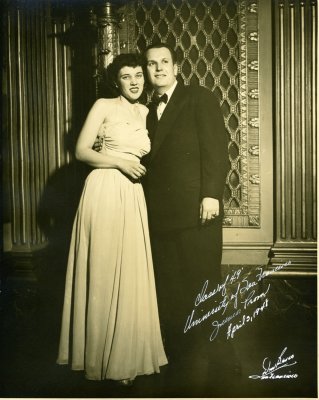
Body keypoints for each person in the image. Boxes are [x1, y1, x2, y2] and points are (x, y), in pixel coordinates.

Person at [56, 53, 167, 385]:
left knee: (129, 270)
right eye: (125, 76)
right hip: (104, 190)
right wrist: (118, 163)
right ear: (115, 81)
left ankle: (125, 358)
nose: (134, 82)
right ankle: (100, 357)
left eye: (137, 75)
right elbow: (81, 151)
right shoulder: (104, 105)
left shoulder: (148, 113)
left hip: (133, 196)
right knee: (104, 270)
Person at [142, 43, 229, 367]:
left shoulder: (199, 97)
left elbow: (217, 150)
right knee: (170, 285)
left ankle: (221, 356)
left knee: (204, 282)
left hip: (197, 210)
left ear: (176, 67)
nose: (159, 68)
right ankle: (180, 356)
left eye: (164, 62)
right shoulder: (145, 109)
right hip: (159, 215)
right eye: (152, 64)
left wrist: (211, 195)